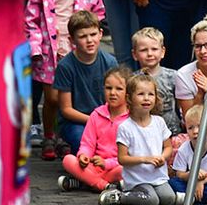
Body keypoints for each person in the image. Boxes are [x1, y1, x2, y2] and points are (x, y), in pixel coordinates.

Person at [25, 0, 106, 159]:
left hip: (76, 49)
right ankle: (49, 134)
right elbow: (30, 19)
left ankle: (63, 137)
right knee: (51, 98)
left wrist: (90, 36)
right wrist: (35, 46)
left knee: (68, 96)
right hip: (50, 49)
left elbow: (98, 12)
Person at [100, 73, 175, 205]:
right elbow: (122, 159)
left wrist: (163, 157)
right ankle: (119, 197)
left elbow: (168, 147)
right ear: (129, 98)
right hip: (137, 179)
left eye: (151, 94)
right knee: (151, 200)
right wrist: (145, 159)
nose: (146, 98)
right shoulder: (125, 127)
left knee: (169, 198)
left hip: (158, 177)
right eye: (141, 94)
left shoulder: (159, 122)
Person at [55, 11, 120, 160]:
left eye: (93, 34)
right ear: (72, 40)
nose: (89, 40)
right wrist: (94, 120)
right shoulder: (66, 66)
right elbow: (66, 109)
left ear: (100, 34)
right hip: (77, 121)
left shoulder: (110, 62)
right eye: (83, 36)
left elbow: (118, 98)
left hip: (106, 118)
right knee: (82, 141)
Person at [60, 65, 131, 193]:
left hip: (116, 166)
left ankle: (85, 182)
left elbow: (130, 154)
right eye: (108, 88)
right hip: (95, 166)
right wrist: (84, 156)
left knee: (127, 170)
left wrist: (107, 163)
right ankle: (104, 186)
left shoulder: (131, 119)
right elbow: (87, 143)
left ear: (128, 93)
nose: (112, 93)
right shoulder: (96, 115)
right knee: (68, 160)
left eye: (119, 89)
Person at [131, 27, 182, 138]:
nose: (149, 53)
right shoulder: (131, 80)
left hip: (172, 133)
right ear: (134, 54)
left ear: (162, 52)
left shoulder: (174, 76)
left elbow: (181, 106)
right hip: (141, 134)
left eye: (154, 49)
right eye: (144, 50)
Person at [169, 105, 207, 201]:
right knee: (173, 183)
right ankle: (206, 198)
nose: (195, 131)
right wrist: (192, 175)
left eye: (200, 127)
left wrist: (201, 182)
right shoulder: (183, 148)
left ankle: (191, 198)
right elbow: (180, 174)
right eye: (190, 128)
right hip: (189, 181)